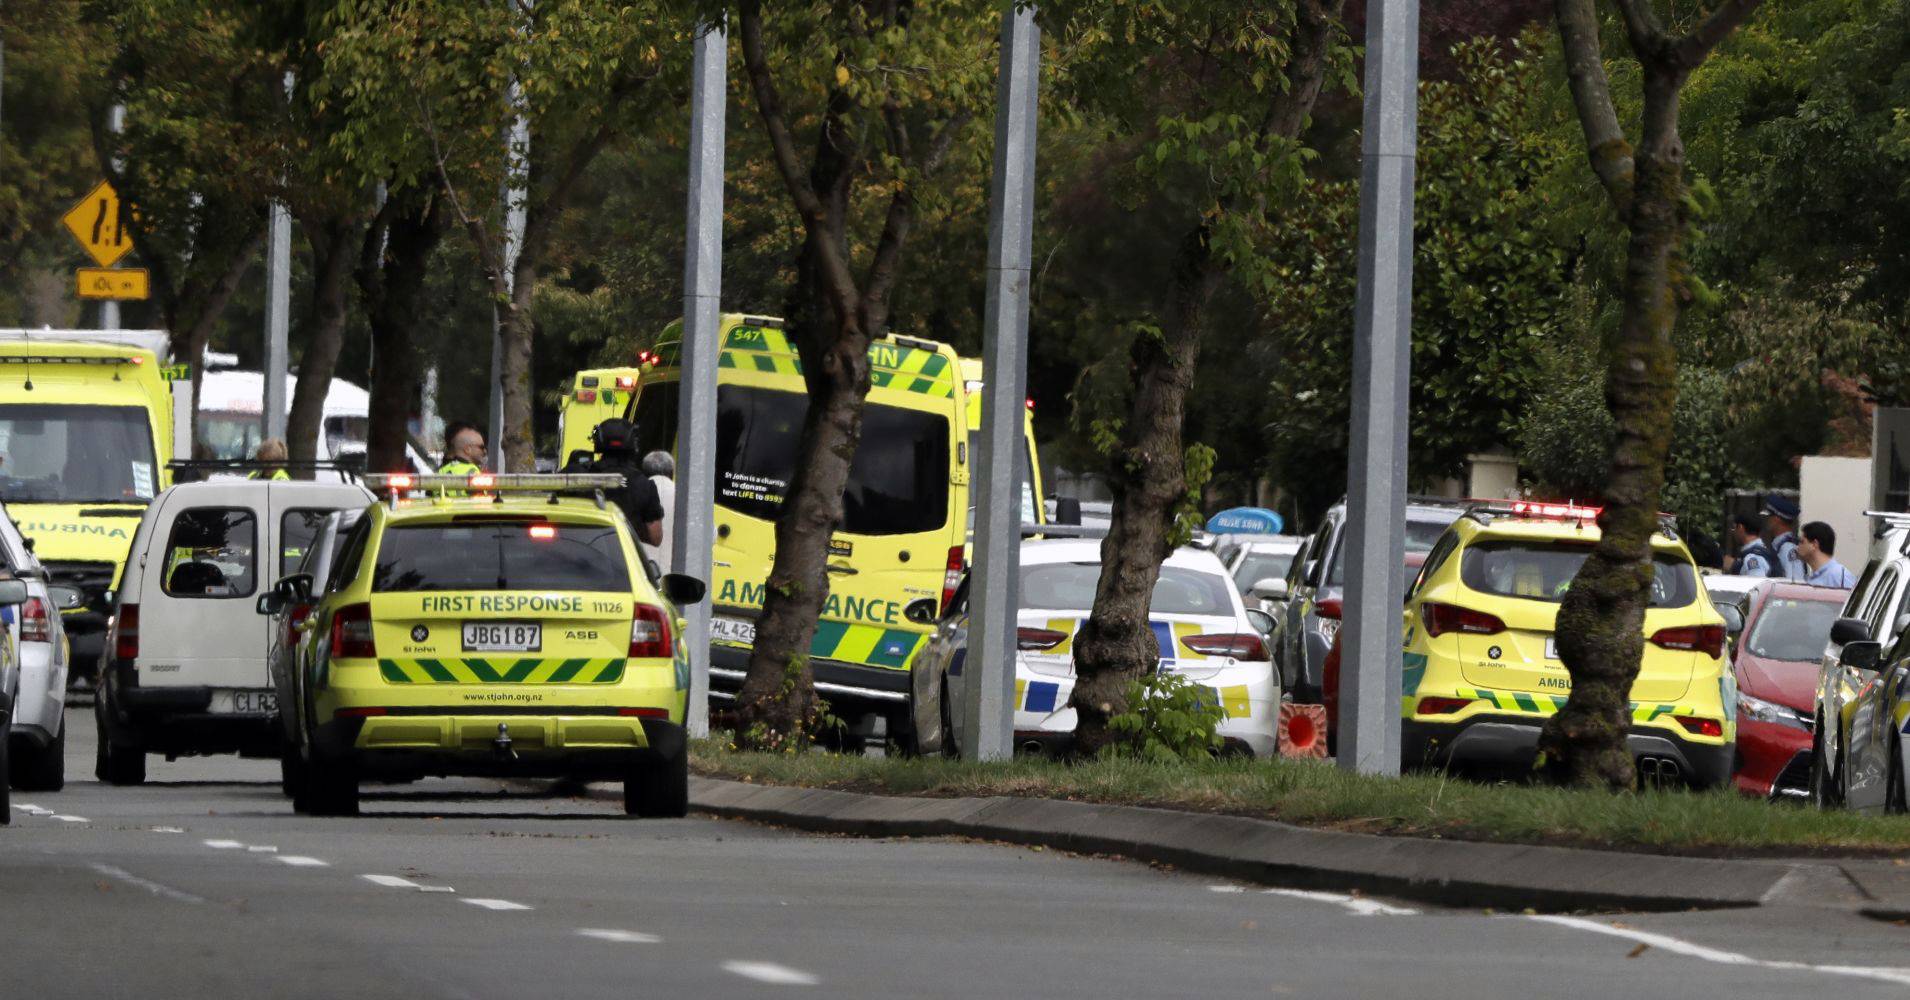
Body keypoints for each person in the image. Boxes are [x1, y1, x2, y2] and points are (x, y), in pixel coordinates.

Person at [564, 419, 663, 548]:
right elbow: (655, 538)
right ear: (634, 443)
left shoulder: (575, 476)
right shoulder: (645, 485)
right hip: (623, 562)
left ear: (597, 440)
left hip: (577, 554)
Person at [641, 450, 675, 571]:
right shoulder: (687, 495)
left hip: (642, 572)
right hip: (677, 575)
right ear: (672, 473)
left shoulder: (635, 493)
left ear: (644, 472)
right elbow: (710, 536)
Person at [1797, 521, 1858, 588]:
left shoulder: (1838, 575)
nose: (1798, 546)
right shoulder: (1815, 577)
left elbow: (1856, 597)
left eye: (1802, 542)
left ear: (1814, 544)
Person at [1763, 494, 1804, 580]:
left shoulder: (1788, 548)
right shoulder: (1780, 545)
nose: (1766, 519)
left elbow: (1795, 583)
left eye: (1769, 515)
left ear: (1777, 519)